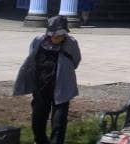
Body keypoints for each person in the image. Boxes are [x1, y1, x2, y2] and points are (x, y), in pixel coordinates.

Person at [14, 15, 82, 144]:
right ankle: (40, 140)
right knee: (38, 118)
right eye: (56, 36)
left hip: (62, 86)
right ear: (49, 33)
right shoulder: (38, 41)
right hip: (41, 86)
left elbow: (76, 61)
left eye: (62, 36)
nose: (59, 38)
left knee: (59, 121)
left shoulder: (71, 43)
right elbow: (31, 57)